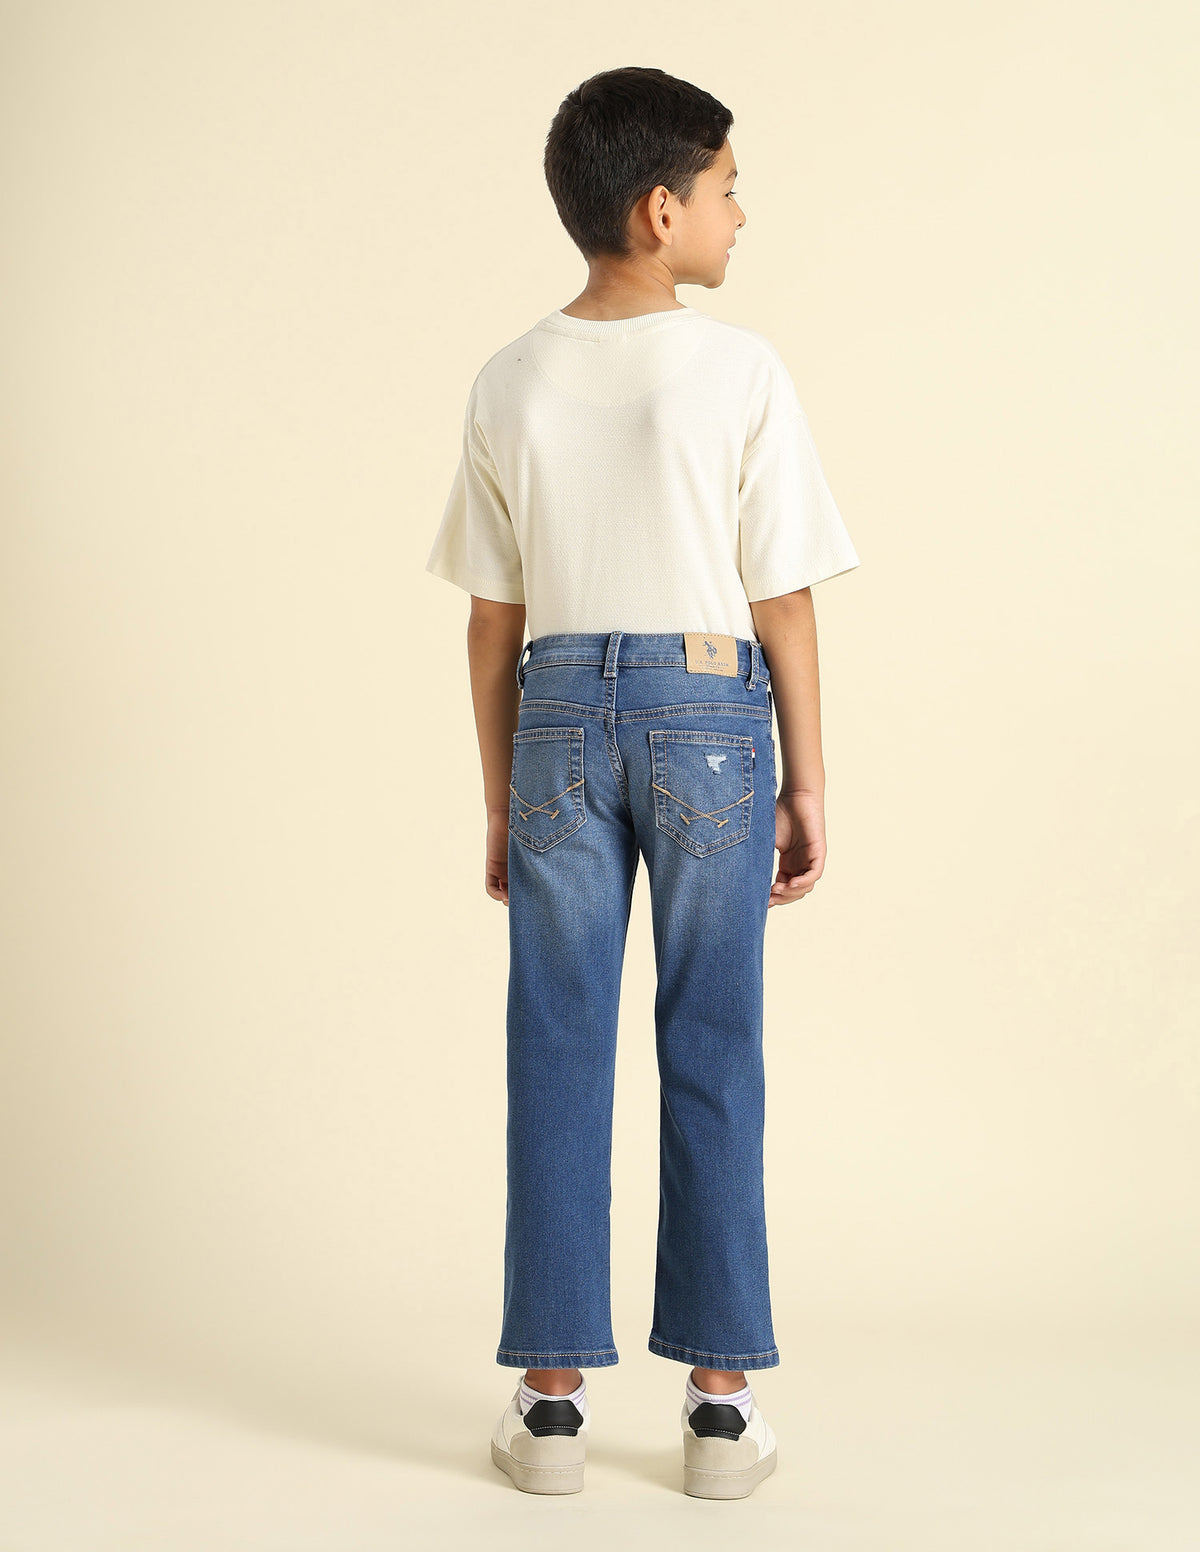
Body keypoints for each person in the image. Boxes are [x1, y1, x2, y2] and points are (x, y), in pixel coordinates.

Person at [424, 65, 861, 1499]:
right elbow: (780, 596)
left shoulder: (509, 377)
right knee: (713, 1039)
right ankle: (720, 1412)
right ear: (660, 208)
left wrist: (502, 797)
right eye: (728, 188)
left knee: (555, 1040)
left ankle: (550, 1407)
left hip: (555, 713)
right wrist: (807, 778)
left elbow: (491, 622)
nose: (741, 214)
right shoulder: (740, 371)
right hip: (709, 716)